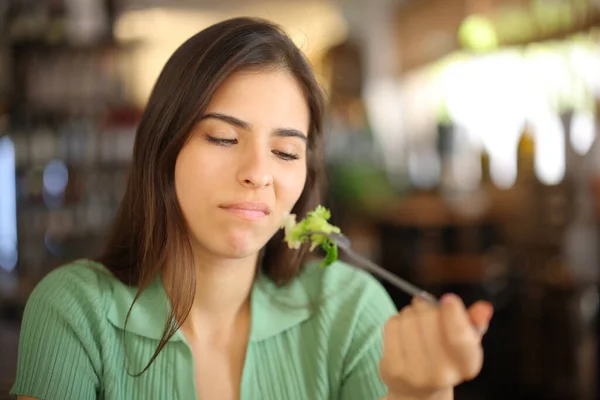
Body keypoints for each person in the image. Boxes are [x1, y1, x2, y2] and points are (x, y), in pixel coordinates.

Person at [10, 17, 493, 400]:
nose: (258, 172)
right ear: (164, 148)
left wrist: (417, 395)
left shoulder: (351, 309)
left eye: (286, 152)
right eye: (223, 137)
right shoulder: (74, 312)